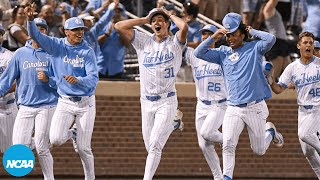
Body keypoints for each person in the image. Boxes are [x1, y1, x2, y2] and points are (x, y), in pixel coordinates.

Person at [194, 12, 284, 180]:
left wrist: (252, 30)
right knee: (228, 145)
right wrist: (213, 37)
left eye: (234, 34)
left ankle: (270, 131)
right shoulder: (222, 53)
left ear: (243, 34)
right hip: (233, 107)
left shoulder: (255, 48)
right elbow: (198, 53)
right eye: (228, 35)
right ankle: (226, 177)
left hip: (254, 107)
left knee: (259, 150)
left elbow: (271, 39)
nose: (230, 38)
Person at [25, 4, 98, 180]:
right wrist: (30, 20)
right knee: (56, 139)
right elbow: (36, 35)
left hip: (85, 103)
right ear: (66, 32)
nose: (80, 33)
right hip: (65, 101)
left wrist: (78, 80)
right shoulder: (56, 46)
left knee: (83, 148)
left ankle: (90, 178)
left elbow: (93, 79)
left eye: (81, 29)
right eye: (75, 30)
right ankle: (72, 132)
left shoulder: (87, 51)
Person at [115, 7, 187, 180]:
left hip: (167, 100)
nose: (157, 23)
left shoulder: (175, 42)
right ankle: (174, 124)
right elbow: (119, 26)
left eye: (160, 20)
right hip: (146, 102)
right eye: (154, 21)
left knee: (155, 145)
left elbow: (183, 27)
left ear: (168, 24)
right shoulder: (143, 41)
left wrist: (169, 14)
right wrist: (144, 19)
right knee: (151, 147)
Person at [0, 18, 58, 180]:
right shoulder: (20, 54)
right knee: (18, 148)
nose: (39, 31)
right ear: (29, 32)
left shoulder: (53, 53)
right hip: (25, 107)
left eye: (43, 28)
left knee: (41, 148)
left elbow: (61, 82)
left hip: (47, 106)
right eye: (35, 28)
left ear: (46, 32)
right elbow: (6, 80)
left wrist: (49, 79)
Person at [270, 32, 320, 179]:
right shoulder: (292, 67)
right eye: (305, 42)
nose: (309, 45)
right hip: (303, 112)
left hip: (317, 110)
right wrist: (270, 80)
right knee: (308, 153)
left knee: (304, 134)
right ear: (299, 46)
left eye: (311, 43)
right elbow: (279, 89)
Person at [187, 24, 227, 179]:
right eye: (204, 34)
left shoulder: (221, 54)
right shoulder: (194, 55)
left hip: (220, 103)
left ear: (217, 37)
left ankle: (229, 139)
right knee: (204, 145)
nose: (206, 36)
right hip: (202, 104)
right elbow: (176, 42)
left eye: (209, 34)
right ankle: (218, 177)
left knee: (207, 132)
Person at [0, 24, 18, 154]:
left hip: (7, 107)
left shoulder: (10, 56)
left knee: (9, 149)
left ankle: (43, 141)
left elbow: (17, 82)